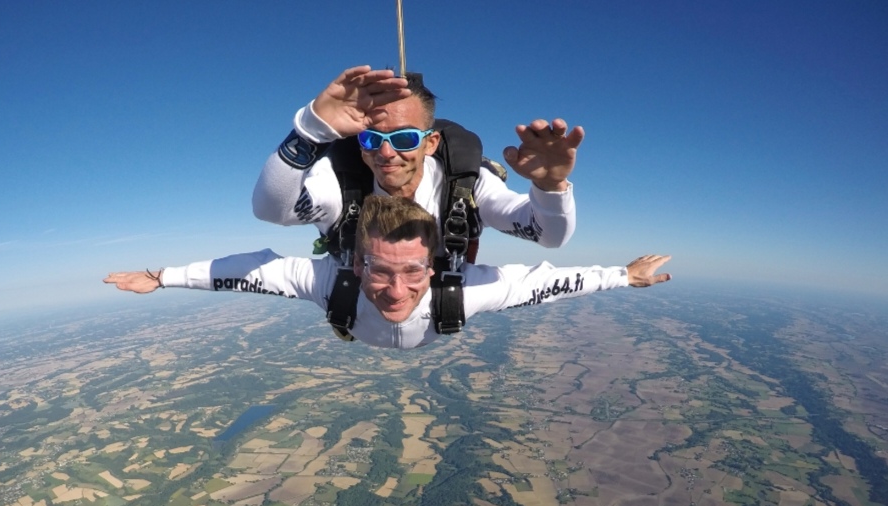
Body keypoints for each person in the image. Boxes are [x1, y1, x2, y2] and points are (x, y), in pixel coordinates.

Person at [104, 196, 671, 351]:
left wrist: (624, 276)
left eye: (414, 272)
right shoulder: (330, 280)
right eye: (379, 271)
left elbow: (547, 283)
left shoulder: (462, 293)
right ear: (355, 263)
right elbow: (254, 272)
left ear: (437, 265)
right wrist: (162, 276)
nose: (397, 291)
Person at [251, 66, 584, 257]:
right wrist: (311, 129)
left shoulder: (464, 185)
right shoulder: (342, 181)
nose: (385, 153)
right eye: (371, 139)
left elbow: (550, 236)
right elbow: (271, 209)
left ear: (431, 143)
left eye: (405, 139)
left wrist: (550, 185)